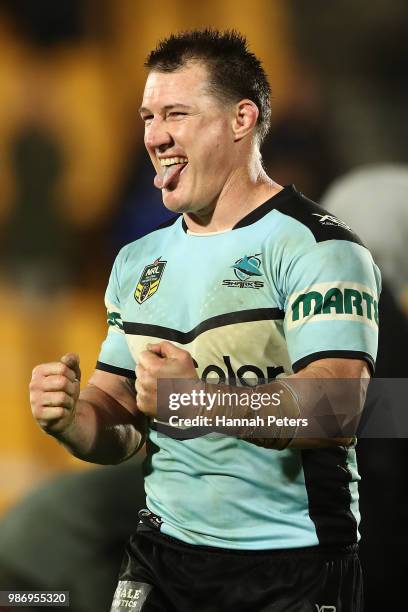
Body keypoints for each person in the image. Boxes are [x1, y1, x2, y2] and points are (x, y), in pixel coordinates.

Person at [29, 30, 381, 611]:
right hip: (163, 555)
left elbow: (339, 407)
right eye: (147, 116)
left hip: (291, 566)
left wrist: (196, 400)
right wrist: (73, 420)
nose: (154, 136)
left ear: (241, 119)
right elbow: (119, 424)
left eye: (176, 114)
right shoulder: (138, 260)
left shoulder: (320, 247)